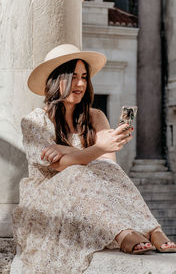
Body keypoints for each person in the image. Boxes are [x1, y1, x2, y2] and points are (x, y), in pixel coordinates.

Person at [12, 44, 176, 274]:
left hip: (87, 196)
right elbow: (61, 166)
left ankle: (152, 228)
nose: (80, 84)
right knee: (77, 171)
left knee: (106, 169)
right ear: (56, 80)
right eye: (73, 77)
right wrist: (98, 147)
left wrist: (65, 149)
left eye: (84, 77)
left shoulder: (95, 116)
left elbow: (109, 165)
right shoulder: (34, 122)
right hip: (46, 201)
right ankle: (122, 234)